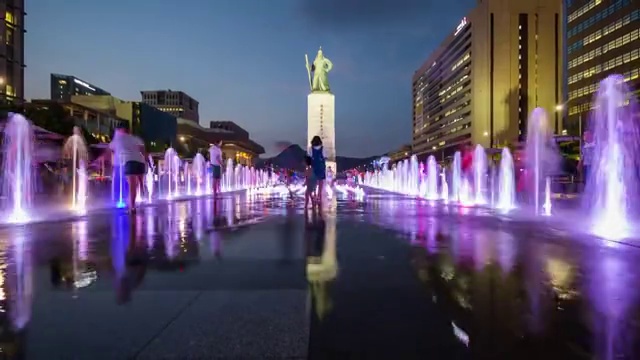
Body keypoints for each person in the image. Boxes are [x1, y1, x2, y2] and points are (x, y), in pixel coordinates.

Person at [95, 125, 146, 212]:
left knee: (132, 185)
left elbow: (108, 152)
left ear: (121, 131)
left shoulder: (119, 139)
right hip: (140, 161)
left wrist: (98, 160)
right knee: (138, 182)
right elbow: (143, 150)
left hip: (130, 161)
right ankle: (142, 190)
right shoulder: (136, 138)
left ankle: (132, 207)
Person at [309, 136, 326, 210]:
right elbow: (325, 156)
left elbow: (309, 157)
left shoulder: (310, 149)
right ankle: (319, 195)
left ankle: (314, 195)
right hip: (321, 166)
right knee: (321, 181)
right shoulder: (323, 148)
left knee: (314, 181)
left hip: (314, 166)